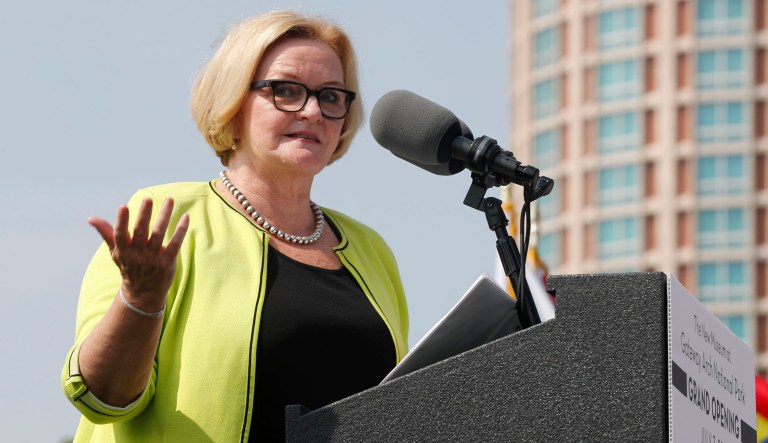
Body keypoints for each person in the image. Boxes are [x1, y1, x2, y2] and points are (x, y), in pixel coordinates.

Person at [61, 10, 409, 442]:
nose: (313, 110)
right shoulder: (168, 218)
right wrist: (141, 297)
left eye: (331, 96)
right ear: (234, 104)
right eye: (285, 90)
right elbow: (101, 396)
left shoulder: (371, 250)